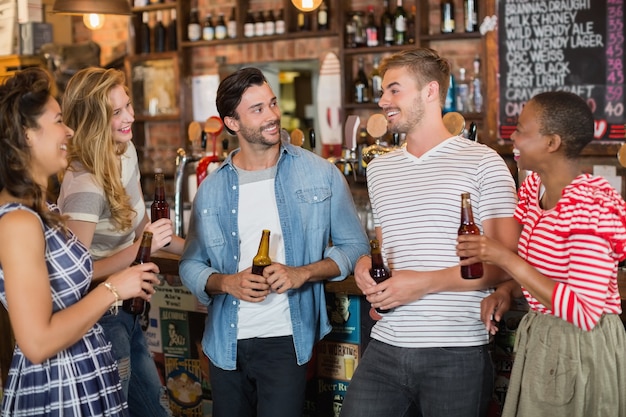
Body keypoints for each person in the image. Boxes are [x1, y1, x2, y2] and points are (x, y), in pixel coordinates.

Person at [179, 67, 369, 417]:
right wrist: (227, 282)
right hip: (225, 342)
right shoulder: (212, 188)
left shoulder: (321, 173)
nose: (272, 116)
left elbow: (356, 247)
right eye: (257, 110)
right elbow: (190, 263)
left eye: (272, 104)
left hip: (286, 340)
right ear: (232, 123)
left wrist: (303, 273)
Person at [340, 48, 520, 417]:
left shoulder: (484, 162)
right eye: (382, 91)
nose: (382, 100)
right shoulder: (380, 169)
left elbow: (508, 264)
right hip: (386, 344)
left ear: (430, 91)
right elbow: (390, 250)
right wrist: (365, 265)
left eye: (394, 90)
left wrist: (421, 283)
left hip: (456, 350)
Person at [0, 67, 160, 416]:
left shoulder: (41, 207)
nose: (69, 130)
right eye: (58, 120)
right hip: (59, 387)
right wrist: (114, 288)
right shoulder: (17, 222)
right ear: (27, 135)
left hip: (84, 371)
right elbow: (38, 343)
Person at [457, 91, 626, 417]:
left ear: (552, 143)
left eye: (521, 129)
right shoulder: (534, 188)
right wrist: (507, 290)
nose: (512, 137)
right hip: (545, 337)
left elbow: (582, 312)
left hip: (581, 346)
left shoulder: (589, 207)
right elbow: (543, 274)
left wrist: (504, 259)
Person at [57, 67, 184, 417]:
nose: (130, 116)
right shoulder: (84, 185)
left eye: (128, 105)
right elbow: (76, 276)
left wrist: (200, 254)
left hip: (129, 309)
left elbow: (143, 224)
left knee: (153, 409)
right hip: (101, 317)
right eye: (117, 112)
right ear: (93, 121)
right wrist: (141, 248)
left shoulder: (124, 152)